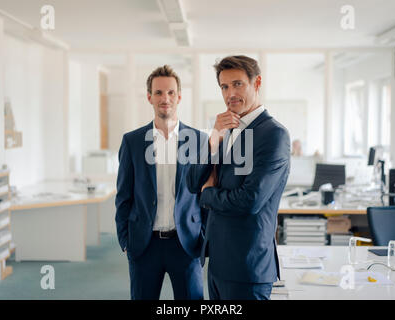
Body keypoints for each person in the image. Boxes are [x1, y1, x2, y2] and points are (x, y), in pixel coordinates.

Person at [187, 55, 290, 300]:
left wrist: (208, 193)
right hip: (218, 263)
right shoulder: (227, 128)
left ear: (257, 83)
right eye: (224, 86)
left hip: (248, 266)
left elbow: (250, 200)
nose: (230, 93)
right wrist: (213, 138)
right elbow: (192, 183)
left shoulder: (273, 134)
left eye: (238, 84)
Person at [115, 65, 204, 300]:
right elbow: (124, 196)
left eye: (171, 92)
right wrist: (126, 241)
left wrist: (203, 238)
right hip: (145, 245)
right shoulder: (132, 141)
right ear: (149, 97)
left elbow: (206, 195)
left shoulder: (198, 140)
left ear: (179, 97)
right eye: (159, 93)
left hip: (186, 243)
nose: (165, 98)